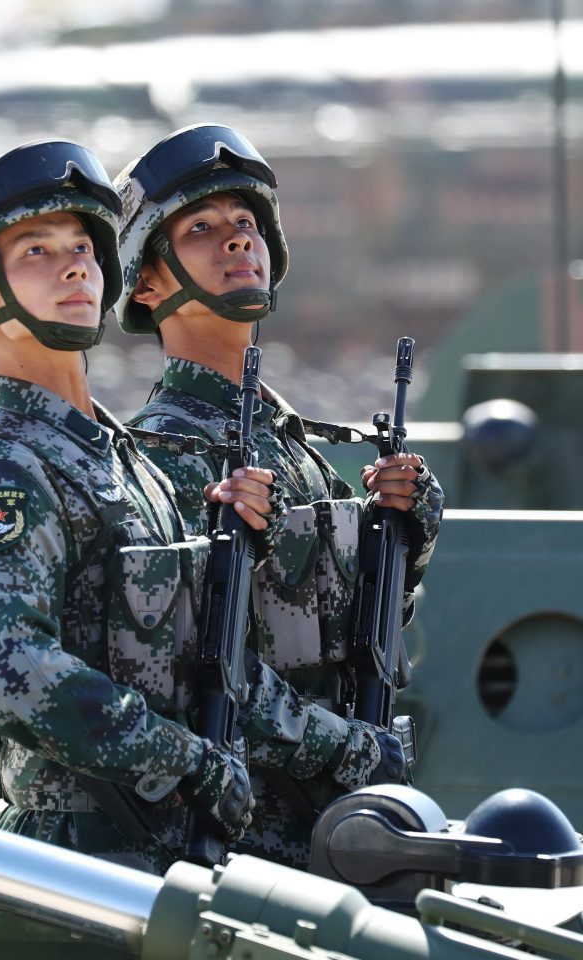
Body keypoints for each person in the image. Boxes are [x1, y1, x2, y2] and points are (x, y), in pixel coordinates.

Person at [0, 138, 392, 875]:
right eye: (36, 251)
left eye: (81, 245)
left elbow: (198, 647)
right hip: (82, 861)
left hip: (166, 849)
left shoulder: (119, 455)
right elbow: (21, 670)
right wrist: (187, 759)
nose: (75, 263)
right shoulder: (6, 466)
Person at [114, 124, 444, 868]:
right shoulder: (164, 455)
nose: (238, 241)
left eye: (247, 224)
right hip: (244, 841)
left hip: (324, 827)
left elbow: (351, 631)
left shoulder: (291, 444)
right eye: (200, 228)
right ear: (147, 282)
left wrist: (410, 534)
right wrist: (353, 751)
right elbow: (190, 668)